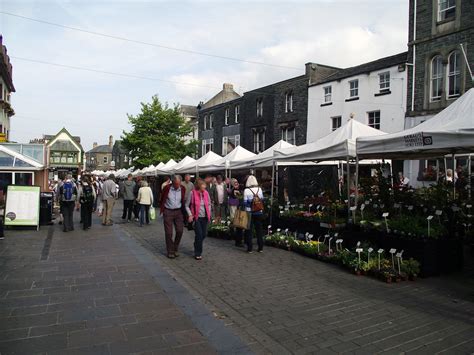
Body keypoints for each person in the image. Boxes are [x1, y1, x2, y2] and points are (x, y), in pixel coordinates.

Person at [160, 175, 186, 258]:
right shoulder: (167, 188)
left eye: (178, 184)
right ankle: (170, 251)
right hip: (168, 211)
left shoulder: (182, 188)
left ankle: (175, 247)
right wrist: (162, 209)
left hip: (178, 211)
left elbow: (183, 199)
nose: (176, 186)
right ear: (172, 182)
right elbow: (162, 198)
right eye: (175, 184)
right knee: (169, 233)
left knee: (180, 230)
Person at [186, 179, 211, 260]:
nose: (205, 186)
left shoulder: (206, 193)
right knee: (199, 235)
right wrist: (190, 215)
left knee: (204, 234)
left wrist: (209, 213)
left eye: (205, 185)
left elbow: (209, 204)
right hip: (197, 218)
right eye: (203, 185)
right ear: (199, 185)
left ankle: (196, 243)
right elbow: (186, 205)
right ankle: (198, 253)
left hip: (205, 218)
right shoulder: (192, 193)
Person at [243, 175, 264, 253]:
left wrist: (250, 202)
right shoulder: (259, 189)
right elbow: (262, 199)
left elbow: (245, 203)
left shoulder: (246, 190)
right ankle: (260, 247)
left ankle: (250, 248)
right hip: (259, 212)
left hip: (249, 212)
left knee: (249, 230)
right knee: (259, 230)